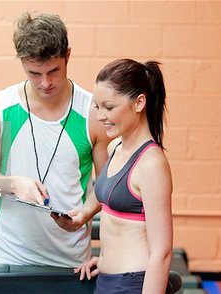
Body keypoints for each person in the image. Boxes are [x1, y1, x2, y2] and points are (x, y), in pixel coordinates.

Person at [0, 12, 111, 267]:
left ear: (68, 55)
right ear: (23, 62)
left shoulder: (93, 113)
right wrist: (14, 184)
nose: (45, 83)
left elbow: (106, 189)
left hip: (71, 262)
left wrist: (86, 214)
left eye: (54, 71)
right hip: (10, 257)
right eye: (34, 73)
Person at [53, 59, 173, 293]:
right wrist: (82, 216)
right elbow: (107, 195)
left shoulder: (151, 164)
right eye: (97, 107)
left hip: (132, 284)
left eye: (109, 107)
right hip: (106, 280)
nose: (100, 116)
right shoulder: (115, 147)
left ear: (139, 103)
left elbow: (163, 252)